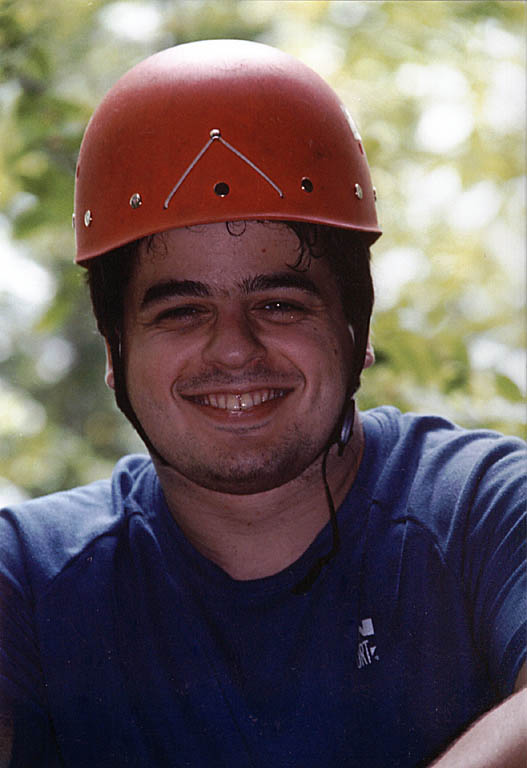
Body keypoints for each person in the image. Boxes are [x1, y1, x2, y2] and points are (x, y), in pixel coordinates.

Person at [0, 39, 525, 768]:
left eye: (279, 302)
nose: (235, 348)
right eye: (180, 311)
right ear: (115, 353)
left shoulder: (479, 509)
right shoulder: (28, 575)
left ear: (356, 331)